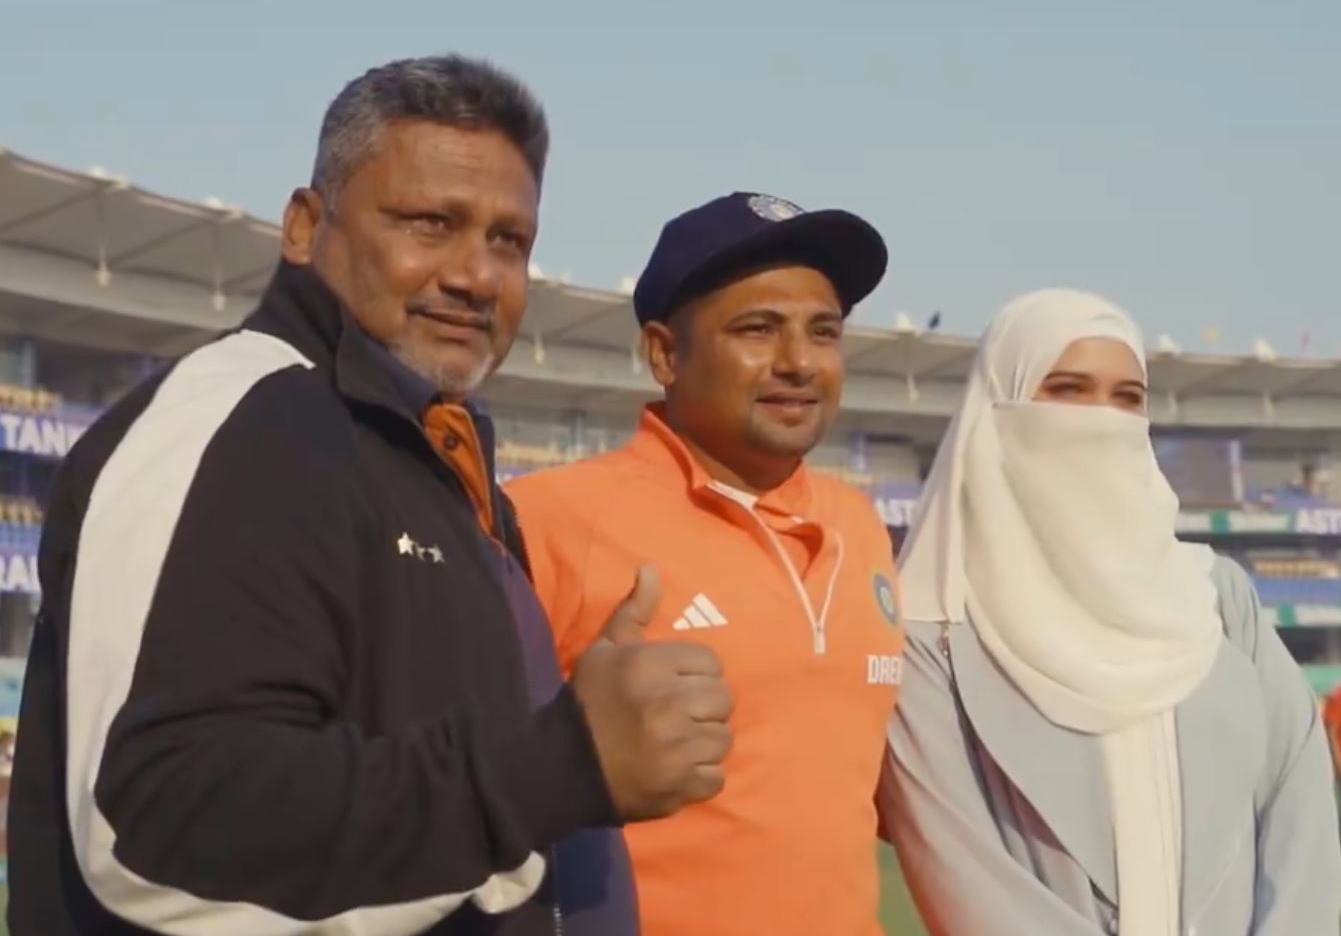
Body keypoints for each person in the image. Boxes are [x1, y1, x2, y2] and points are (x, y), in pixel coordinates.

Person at [7, 54, 733, 936]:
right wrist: (556, 763)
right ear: (305, 226)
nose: (475, 274)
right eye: (429, 222)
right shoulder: (234, 423)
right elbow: (153, 836)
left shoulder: (427, 444)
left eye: (509, 240)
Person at [879, 288, 1341, 936]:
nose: (1102, 418)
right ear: (996, 407)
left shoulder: (1219, 595)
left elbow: (1300, 816)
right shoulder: (932, 634)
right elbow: (964, 875)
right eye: (1066, 389)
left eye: (1127, 397)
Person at [506, 191, 904, 936]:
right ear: (663, 353)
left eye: (823, 332)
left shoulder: (861, 528)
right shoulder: (545, 521)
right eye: (756, 329)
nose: (797, 362)